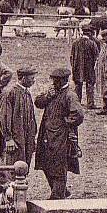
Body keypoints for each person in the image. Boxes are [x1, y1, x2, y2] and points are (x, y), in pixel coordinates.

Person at [34, 67, 84, 200]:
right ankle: (61, 190)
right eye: (53, 80)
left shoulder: (70, 95)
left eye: (56, 80)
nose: (53, 83)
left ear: (64, 80)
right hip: (46, 136)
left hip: (62, 138)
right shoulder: (52, 92)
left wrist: (64, 123)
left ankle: (57, 196)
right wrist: (47, 96)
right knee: (45, 164)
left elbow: (78, 115)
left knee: (59, 166)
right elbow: (38, 102)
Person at [0, 66, 38, 166]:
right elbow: (4, 117)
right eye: (32, 78)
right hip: (16, 139)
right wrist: (8, 139)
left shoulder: (27, 93)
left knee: (25, 166)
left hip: (27, 138)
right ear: (24, 78)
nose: (33, 81)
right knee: (14, 167)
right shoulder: (10, 93)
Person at [70, 25, 99, 109]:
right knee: (90, 85)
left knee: (78, 85)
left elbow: (71, 56)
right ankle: (90, 103)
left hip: (77, 68)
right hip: (89, 68)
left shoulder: (75, 42)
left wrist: (73, 66)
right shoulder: (92, 43)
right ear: (90, 33)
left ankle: (77, 102)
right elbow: (96, 56)